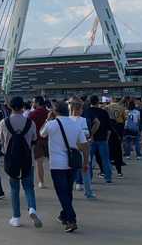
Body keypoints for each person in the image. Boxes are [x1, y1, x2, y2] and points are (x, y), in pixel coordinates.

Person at [40, 101, 88, 233]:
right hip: (72, 163)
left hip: (57, 164)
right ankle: (64, 215)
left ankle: (71, 219)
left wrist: (48, 119)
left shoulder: (51, 124)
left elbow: (41, 134)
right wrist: (85, 162)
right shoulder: (75, 125)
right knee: (67, 191)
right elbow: (84, 144)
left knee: (62, 192)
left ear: (55, 111)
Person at [0, 96, 40, 228]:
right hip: (27, 159)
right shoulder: (30, 123)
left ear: (10, 107)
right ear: (23, 107)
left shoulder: (4, 123)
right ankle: (32, 208)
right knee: (29, 186)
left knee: (14, 188)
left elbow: (2, 141)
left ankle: (16, 217)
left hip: (11, 159)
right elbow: (34, 140)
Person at [82, 95, 112, 183]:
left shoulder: (86, 112)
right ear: (98, 102)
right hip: (102, 139)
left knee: (89, 160)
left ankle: (89, 178)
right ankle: (108, 177)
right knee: (105, 159)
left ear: (89, 102)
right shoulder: (104, 112)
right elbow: (109, 128)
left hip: (90, 140)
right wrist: (107, 138)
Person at [69, 99, 95, 198]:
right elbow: (86, 134)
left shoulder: (67, 119)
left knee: (70, 174)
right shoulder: (82, 120)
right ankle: (88, 193)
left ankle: (68, 193)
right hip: (82, 148)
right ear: (78, 109)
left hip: (70, 149)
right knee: (85, 172)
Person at [27, 96, 49, 189]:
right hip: (49, 139)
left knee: (39, 162)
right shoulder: (49, 113)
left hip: (37, 140)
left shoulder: (32, 114)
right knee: (53, 161)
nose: (32, 104)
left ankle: (41, 182)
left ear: (37, 103)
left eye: (33, 102)